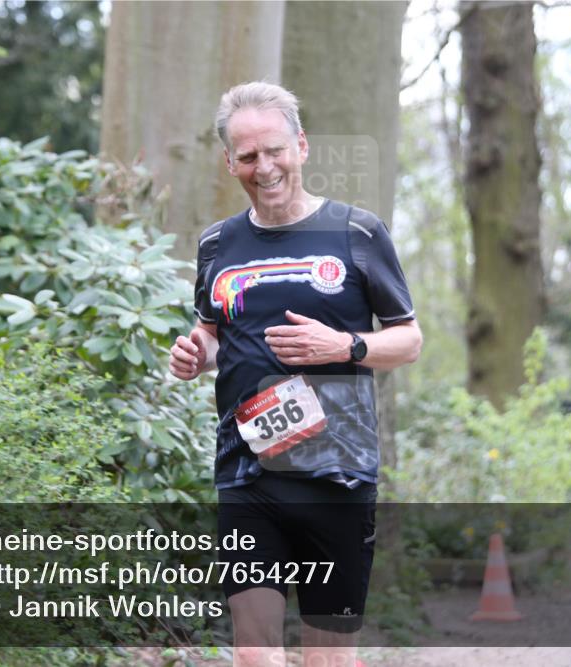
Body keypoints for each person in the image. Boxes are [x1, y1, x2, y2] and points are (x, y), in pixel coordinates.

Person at [168, 81, 422, 667]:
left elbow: (408, 340)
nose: (264, 167)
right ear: (229, 162)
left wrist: (345, 345)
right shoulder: (216, 245)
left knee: (327, 659)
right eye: (248, 156)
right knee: (254, 653)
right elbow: (214, 333)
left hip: (337, 476)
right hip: (246, 472)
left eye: (275, 150)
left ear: (301, 146)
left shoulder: (357, 233)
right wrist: (196, 354)